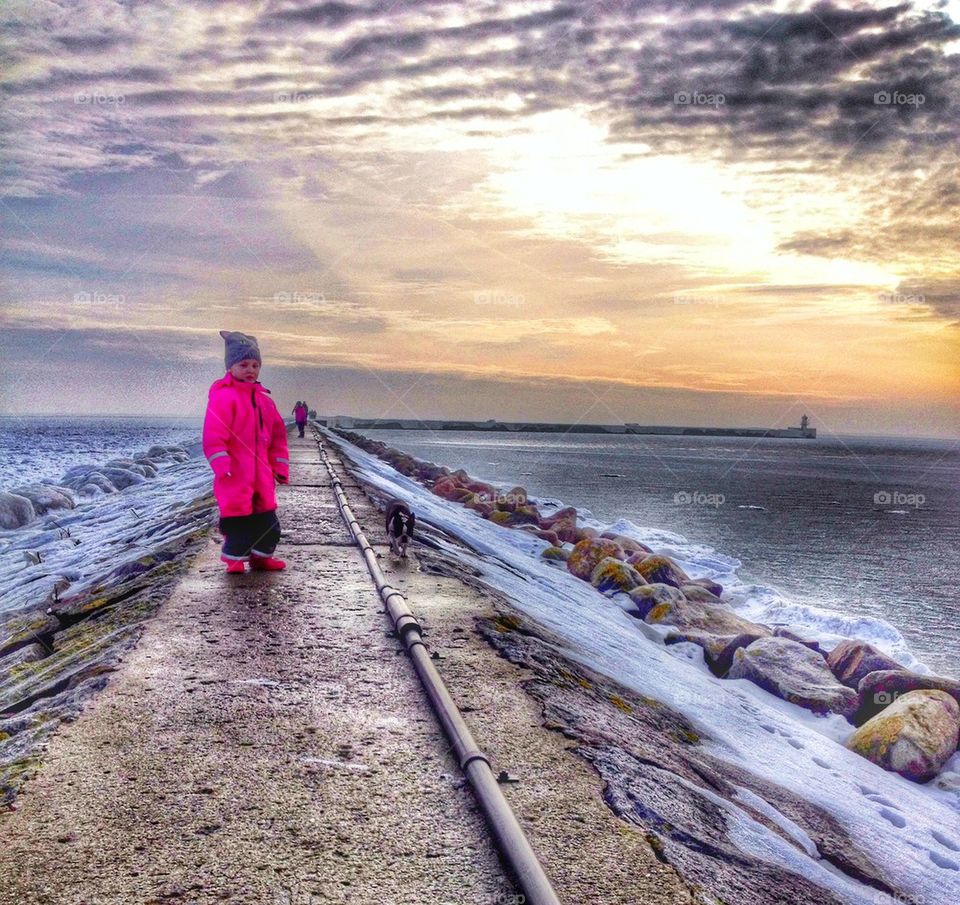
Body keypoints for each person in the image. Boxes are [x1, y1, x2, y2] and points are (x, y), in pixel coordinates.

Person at [203, 330, 290, 573]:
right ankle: (234, 560)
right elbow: (213, 435)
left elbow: (278, 439)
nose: (250, 369)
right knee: (238, 522)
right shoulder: (224, 398)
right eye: (243, 364)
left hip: (262, 476)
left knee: (268, 523)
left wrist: (280, 466)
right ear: (230, 367)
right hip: (235, 475)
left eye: (255, 365)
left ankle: (261, 557)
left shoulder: (265, 402)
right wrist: (221, 463)